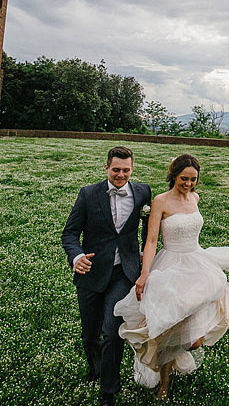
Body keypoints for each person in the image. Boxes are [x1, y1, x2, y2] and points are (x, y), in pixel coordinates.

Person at [114, 154, 229, 400]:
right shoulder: (160, 201)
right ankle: (164, 383)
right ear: (173, 175)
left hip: (197, 263)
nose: (189, 184)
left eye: (193, 179)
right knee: (169, 328)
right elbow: (150, 241)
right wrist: (145, 274)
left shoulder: (195, 198)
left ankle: (181, 353)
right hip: (170, 265)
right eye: (184, 179)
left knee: (194, 340)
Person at [61, 146, 152, 406]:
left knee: (112, 332)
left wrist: (145, 256)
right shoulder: (88, 194)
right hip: (91, 271)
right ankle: (96, 367)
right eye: (116, 170)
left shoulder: (143, 192)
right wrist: (77, 257)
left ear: (132, 169)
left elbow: (148, 230)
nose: (121, 174)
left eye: (126, 170)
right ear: (106, 168)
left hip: (124, 273)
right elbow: (70, 233)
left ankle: (108, 392)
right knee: (90, 334)